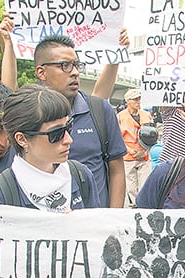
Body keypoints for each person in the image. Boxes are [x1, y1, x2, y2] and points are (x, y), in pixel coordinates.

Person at [29, 34, 127, 208]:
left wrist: (113, 220)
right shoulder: (29, 114)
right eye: (64, 65)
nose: (74, 72)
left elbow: (117, 170)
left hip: (94, 226)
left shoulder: (100, 110)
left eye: (76, 65)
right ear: (41, 72)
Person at [0, 84, 100, 210]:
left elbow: (97, 227)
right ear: (22, 139)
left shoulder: (81, 175)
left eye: (69, 127)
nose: (68, 140)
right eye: (56, 133)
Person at [117, 88, 152, 207]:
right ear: (128, 101)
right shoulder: (120, 117)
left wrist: (145, 151)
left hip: (144, 156)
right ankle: (134, 206)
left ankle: (143, 205)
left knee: (145, 184)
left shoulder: (146, 115)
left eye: (139, 99)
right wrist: (131, 150)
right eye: (135, 99)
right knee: (131, 187)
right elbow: (118, 137)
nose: (138, 102)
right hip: (128, 156)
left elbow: (152, 135)